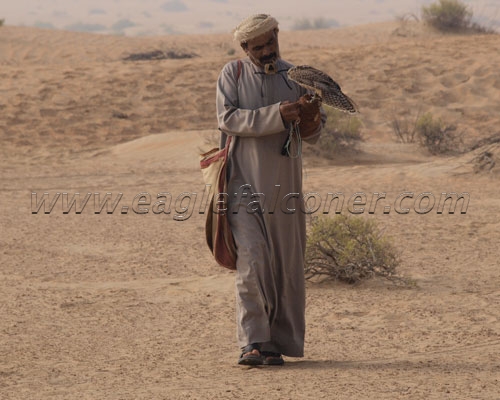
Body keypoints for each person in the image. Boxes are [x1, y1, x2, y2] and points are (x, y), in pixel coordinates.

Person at [216, 14, 326, 366]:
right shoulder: (231, 75)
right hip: (242, 184)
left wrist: (310, 116)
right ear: (245, 47)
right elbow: (228, 118)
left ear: (278, 37)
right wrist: (277, 113)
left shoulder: (294, 77)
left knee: (285, 264)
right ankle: (251, 341)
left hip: (284, 188)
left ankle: (275, 343)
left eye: (271, 43)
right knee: (252, 261)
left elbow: (312, 133)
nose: (267, 51)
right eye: (259, 46)